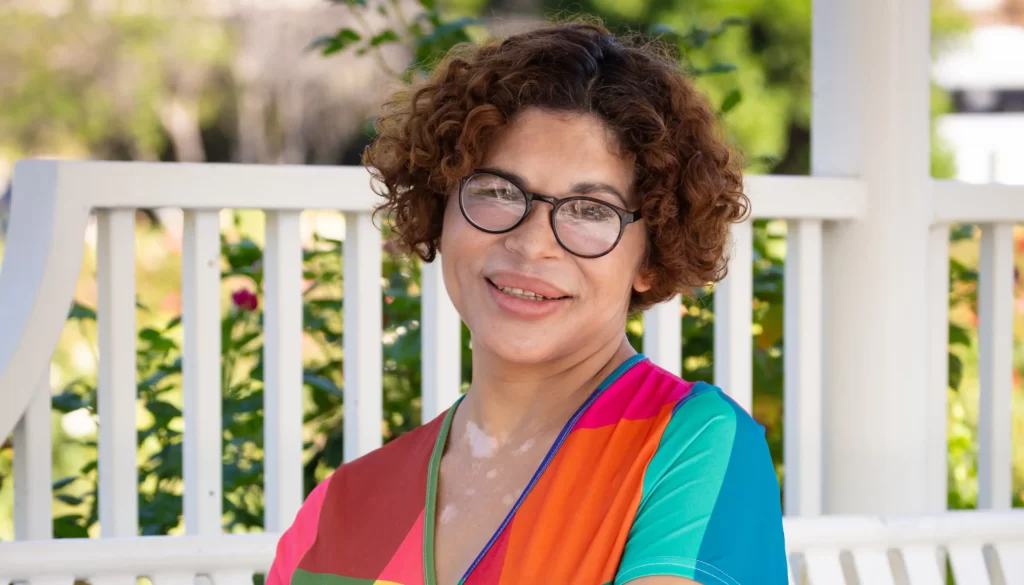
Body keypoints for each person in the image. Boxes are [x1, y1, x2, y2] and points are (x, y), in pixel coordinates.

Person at [267, 20, 787, 585]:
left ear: (652, 256)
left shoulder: (688, 451)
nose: (531, 243)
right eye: (496, 191)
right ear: (442, 208)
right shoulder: (337, 511)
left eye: (592, 211)